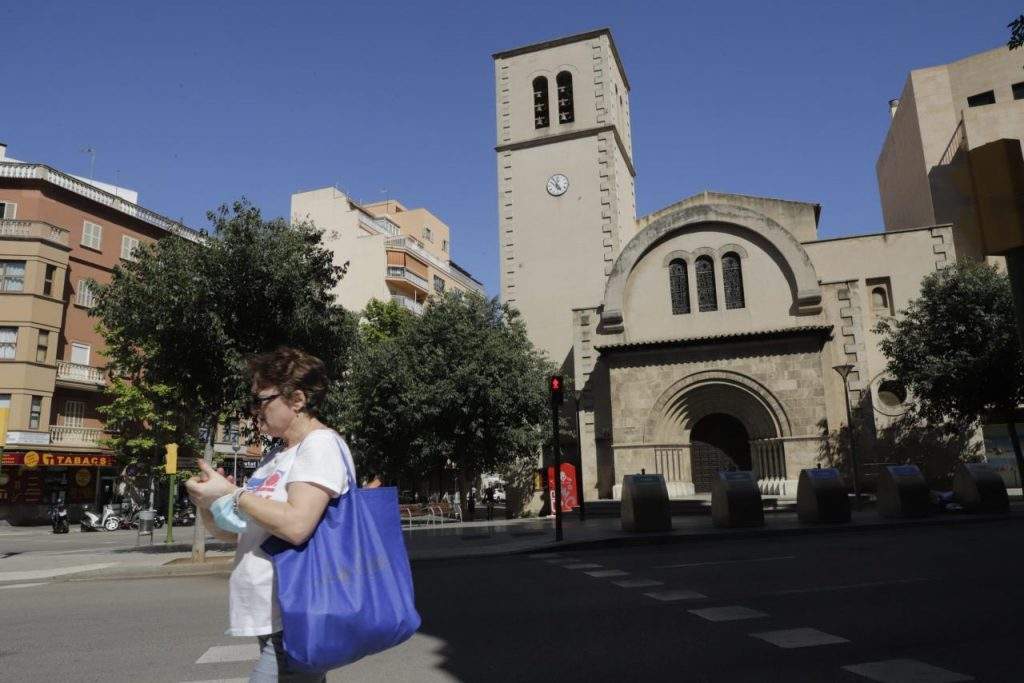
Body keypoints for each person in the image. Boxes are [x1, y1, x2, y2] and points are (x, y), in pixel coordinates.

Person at [186, 347, 356, 683]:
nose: (253, 410)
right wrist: (208, 504)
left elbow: (296, 526)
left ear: (297, 401)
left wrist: (234, 494)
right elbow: (240, 533)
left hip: (297, 613)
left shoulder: (319, 445)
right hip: (271, 613)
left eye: (261, 400)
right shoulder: (276, 455)